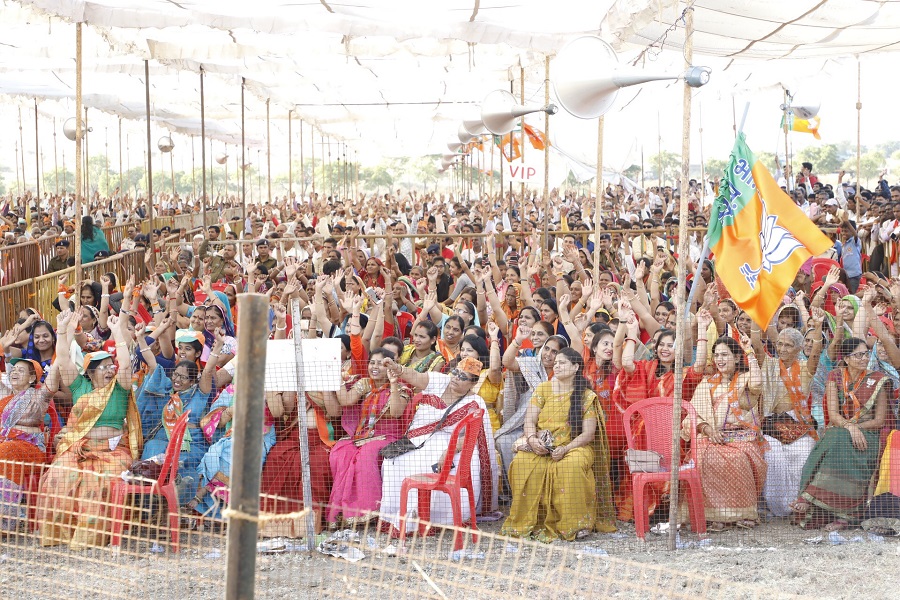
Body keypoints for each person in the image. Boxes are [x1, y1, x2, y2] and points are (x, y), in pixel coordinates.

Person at [38, 310, 142, 550]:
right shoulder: (80, 388)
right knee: (59, 474)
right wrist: (61, 329)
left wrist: (118, 333)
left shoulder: (119, 388)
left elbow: (126, 364)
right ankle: (60, 535)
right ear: (91, 372)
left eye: (110, 366)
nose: (110, 370)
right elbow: (63, 359)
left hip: (113, 453)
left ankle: (89, 538)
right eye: (103, 367)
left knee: (97, 483)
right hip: (81, 449)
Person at [378, 357, 498, 534]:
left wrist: (448, 452)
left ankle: (428, 519)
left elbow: (470, 437)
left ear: (472, 384)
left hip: (454, 446)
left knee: (428, 464)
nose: (456, 378)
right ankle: (399, 515)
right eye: (456, 373)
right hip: (422, 439)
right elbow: (416, 376)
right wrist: (397, 368)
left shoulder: (475, 402)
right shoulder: (439, 381)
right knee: (393, 462)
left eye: (463, 377)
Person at [501, 348, 603, 541]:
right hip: (542, 445)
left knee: (569, 467)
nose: (556, 366)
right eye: (555, 363)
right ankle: (530, 521)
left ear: (575, 367)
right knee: (522, 463)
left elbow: (589, 434)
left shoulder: (586, 396)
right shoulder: (543, 389)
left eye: (562, 363)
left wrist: (566, 448)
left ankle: (575, 524)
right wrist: (532, 440)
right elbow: (529, 421)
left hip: (575, 446)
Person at [793, 337, 889, 530]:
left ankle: (844, 515)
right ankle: (817, 500)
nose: (864, 358)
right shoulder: (834, 377)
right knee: (836, 436)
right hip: (843, 429)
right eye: (858, 355)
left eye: (866, 354)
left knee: (838, 438)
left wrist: (856, 428)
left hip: (868, 433)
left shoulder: (877, 380)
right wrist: (850, 427)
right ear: (846, 359)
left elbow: (879, 420)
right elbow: (834, 414)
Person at [136, 327, 223, 505]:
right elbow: (152, 363)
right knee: (153, 447)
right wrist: (140, 339)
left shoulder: (199, 393)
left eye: (183, 378)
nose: (177, 380)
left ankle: (175, 501)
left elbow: (207, 372)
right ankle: (150, 500)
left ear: (192, 381)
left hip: (191, 444)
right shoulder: (167, 387)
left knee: (179, 463)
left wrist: (217, 346)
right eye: (176, 374)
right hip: (164, 439)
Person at [688, 335, 766, 531]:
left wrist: (751, 353)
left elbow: (757, 385)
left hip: (742, 437)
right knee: (704, 455)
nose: (719, 360)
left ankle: (745, 513)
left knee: (738, 458)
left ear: (737, 358)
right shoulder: (706, 383)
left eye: (725, 354)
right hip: (712, 436)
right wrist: (707, 429)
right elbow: (691, 415)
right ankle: (715, 515)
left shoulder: (746, 378)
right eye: (716, 356)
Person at [327, 347, 412, 527]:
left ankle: (369, 510)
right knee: (340, 452)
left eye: (380, 364)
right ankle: (344, 512)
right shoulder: (366, 384)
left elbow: (396, 413)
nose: (374, 367)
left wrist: (394, 383)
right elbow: (346, 401)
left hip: (389, 438)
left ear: (390, 367)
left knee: (365, 454)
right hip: (363, 435)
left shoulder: (402, 387)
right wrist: (334, 375)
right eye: (372, 362)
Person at [0, 356, 57, 530]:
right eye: (14, 369)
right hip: (7, 446)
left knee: (6, 450)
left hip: (30, 450)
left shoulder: (39, 397)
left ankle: (5, 519)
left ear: (32, 378)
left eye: (21, 370)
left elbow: (53, 381)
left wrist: (63, 337)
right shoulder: (5, 399)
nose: (15, 372)